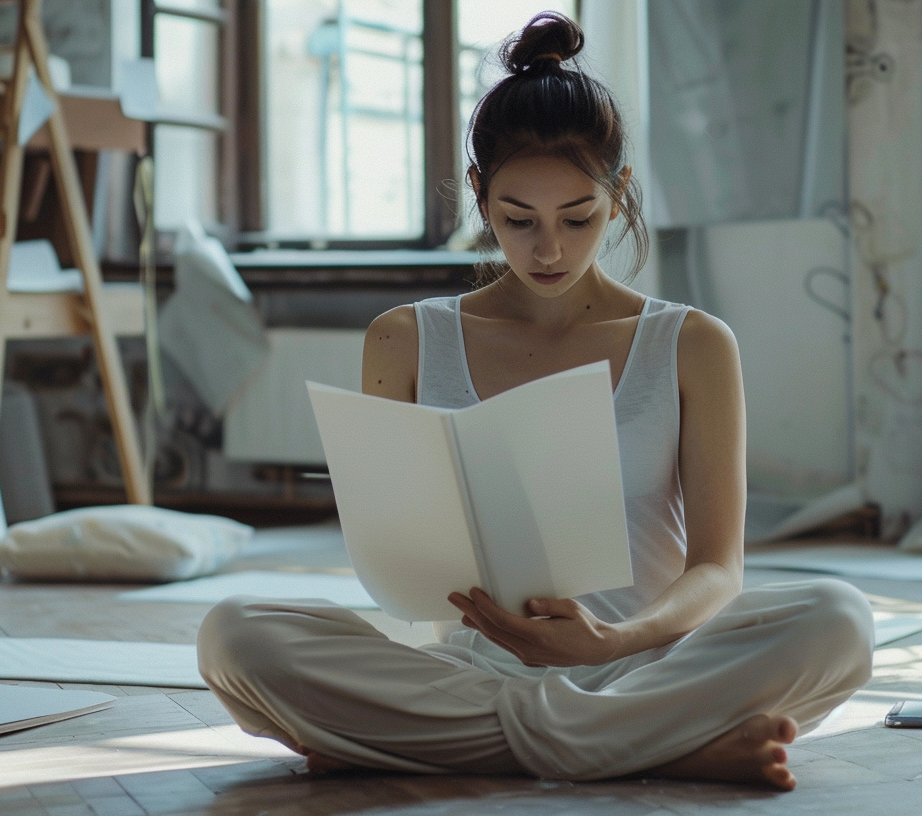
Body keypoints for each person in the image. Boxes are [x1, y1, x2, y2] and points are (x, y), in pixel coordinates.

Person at [197, 12, 873, 789]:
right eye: (518, 220)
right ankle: (657, 749)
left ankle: (503, 744)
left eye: (577, 218)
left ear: (618, 198)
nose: (548, 249)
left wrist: (612, 645)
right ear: (481, 195)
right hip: (473, 675)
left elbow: (718, 569)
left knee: (839, 618)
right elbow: (400, 569)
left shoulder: (692, 343)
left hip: (647, 665)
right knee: (235, 636)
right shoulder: (404, 340)